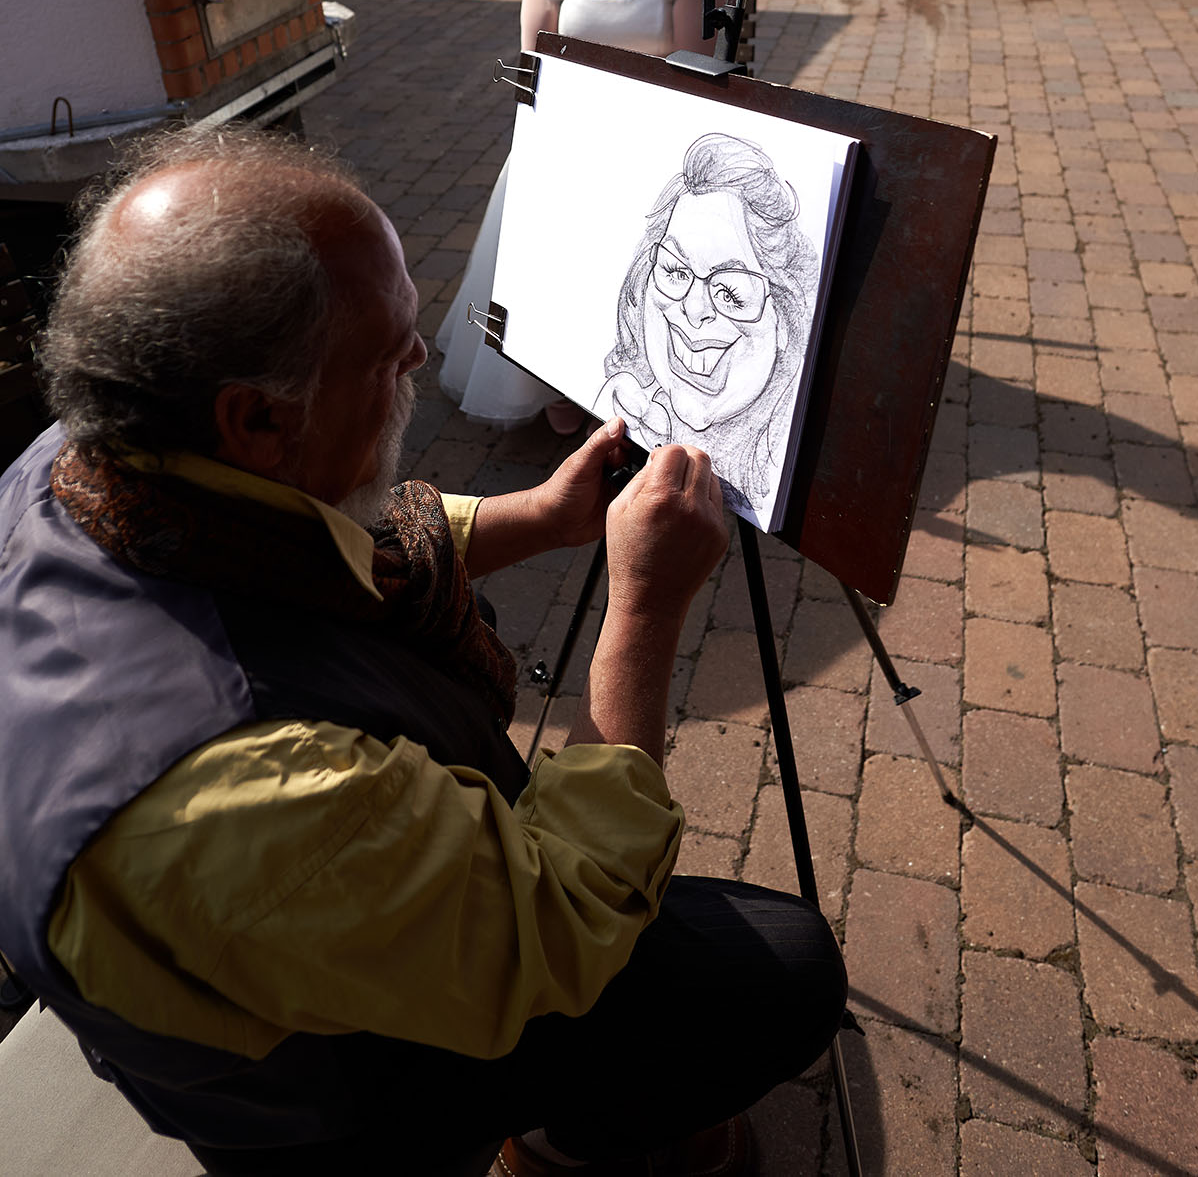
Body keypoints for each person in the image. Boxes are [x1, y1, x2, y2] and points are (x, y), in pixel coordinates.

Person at [0, 126, 846, 1177]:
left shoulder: (75, 468)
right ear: (257, 418)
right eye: (391, 348)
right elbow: (571, 916)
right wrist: (643, 607)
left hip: (252, 948)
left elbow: (336, 544)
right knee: (780, 968)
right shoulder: (256, 789)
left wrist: (536, 515)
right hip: (329, 1099)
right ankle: (557, 1141)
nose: (419, 359)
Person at [436, 0, 726, 430]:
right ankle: (559, 380)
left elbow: (695, 71)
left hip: (658, 145)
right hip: (567, 141)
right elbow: (533, 68)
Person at [595, 134, 819, 516]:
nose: (694, 310)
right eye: (674, 270)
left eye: (731, 291)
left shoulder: (798, 456)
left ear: (785, 322)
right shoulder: (634, 408)